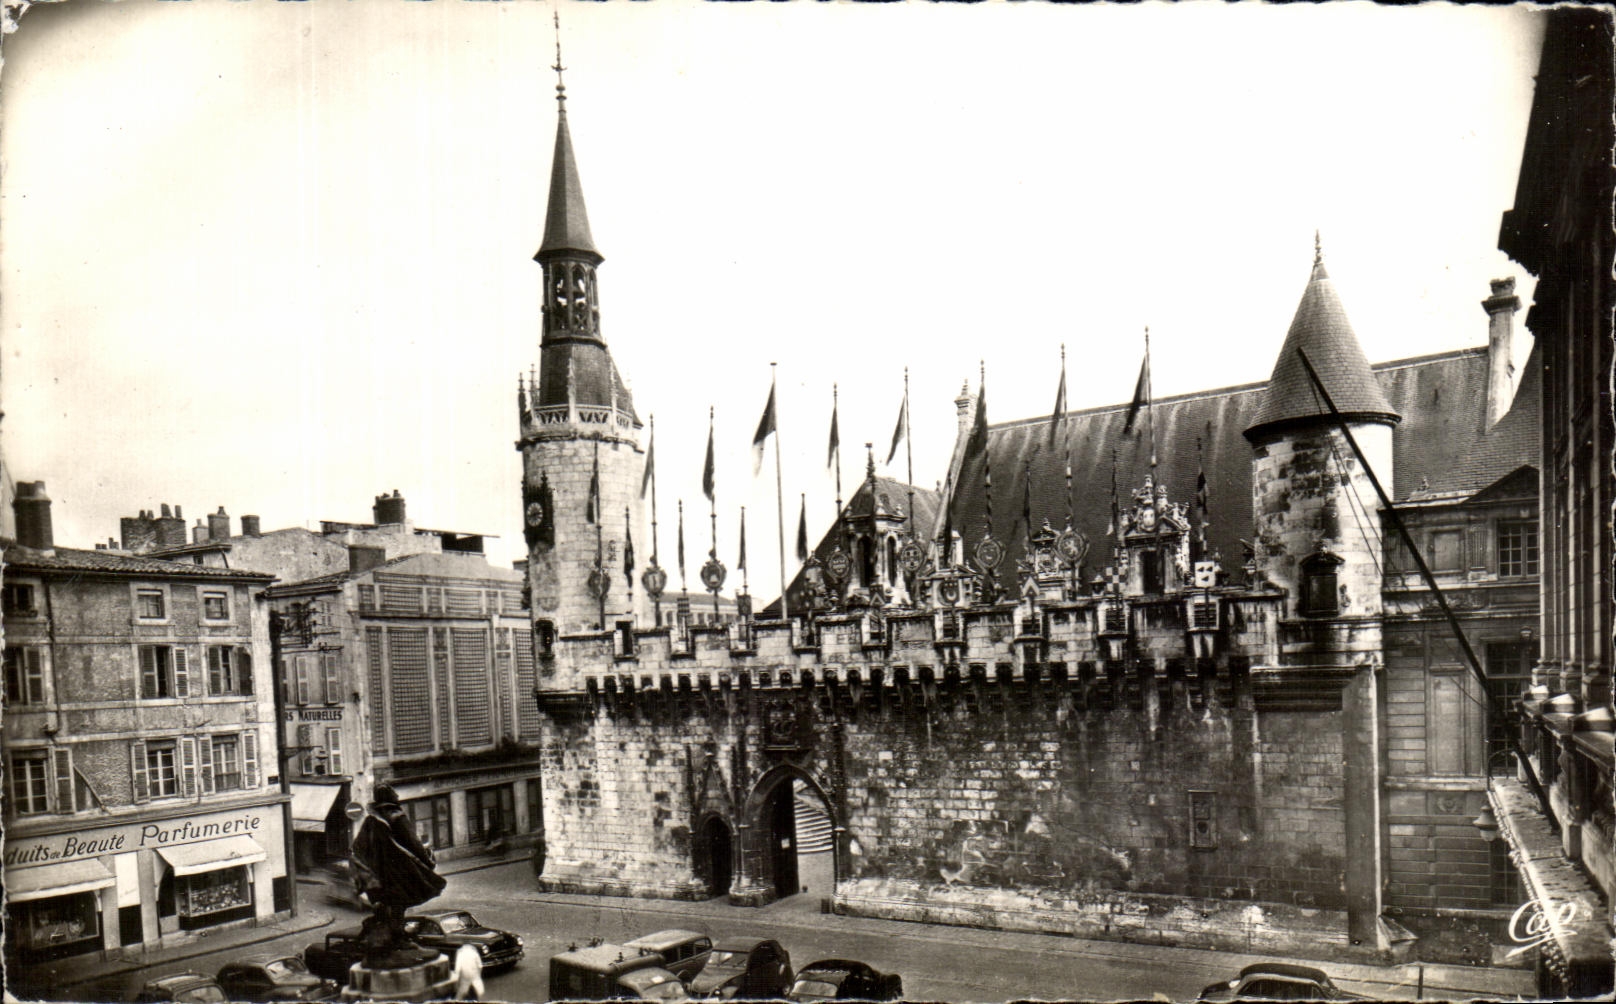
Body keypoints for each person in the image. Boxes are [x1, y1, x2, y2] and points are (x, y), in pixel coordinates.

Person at [351, 784, 448, 964]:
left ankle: (393, 937)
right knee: (400, 902)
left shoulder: (371, 819)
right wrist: (427, 861)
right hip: (398, 870)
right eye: (394, 793)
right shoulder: (396, 816)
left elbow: (358, 847)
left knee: (390, 904)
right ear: (390, 797)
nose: (397, 795)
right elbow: (413, 842)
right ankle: (398, 939)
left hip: (379, 873)